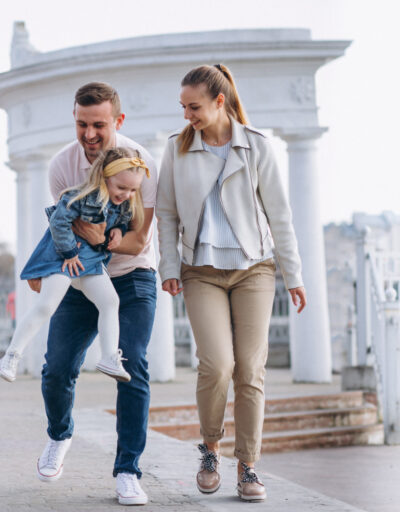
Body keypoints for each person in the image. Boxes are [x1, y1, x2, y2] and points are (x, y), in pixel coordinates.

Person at [156, 64, 307, 503]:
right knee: (217, 365)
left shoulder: (256, 147)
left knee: (250, 368)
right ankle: (210, 448)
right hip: (200, 270)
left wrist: (293, 276)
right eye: (183, 107)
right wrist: (169, 266)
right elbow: (165, 214)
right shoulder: (177, 149)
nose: (188, 115)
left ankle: (248, 465)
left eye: (195, 106)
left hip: (254, 270)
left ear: (219, 102)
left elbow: (280, 216)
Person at [29, 82, 158, 506]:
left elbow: (138, 242)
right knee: (57, 368)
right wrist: (46, 268)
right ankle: (60, 434)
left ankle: (127, 471)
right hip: (82, 277)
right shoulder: (61, 167)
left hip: (133, 276)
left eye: (99, 125)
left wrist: (102, 239)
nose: (89, 135)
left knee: (132, 364)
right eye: (82, 124)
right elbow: (67, 238)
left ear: (117, 122)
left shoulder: (143, 164)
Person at [0, 147, 149, 385]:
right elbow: (59, 222)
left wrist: (118, 231)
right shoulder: (79, 196)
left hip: (90, 262)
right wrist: (69, 252)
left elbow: (121, 220)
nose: (127, 194)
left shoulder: (122, 204)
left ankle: (109, 356)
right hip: (64, 258)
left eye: (133, 190)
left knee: (110, 301)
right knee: (47, 306)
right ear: (105, 178)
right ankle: (12, 355)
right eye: (121, 188)